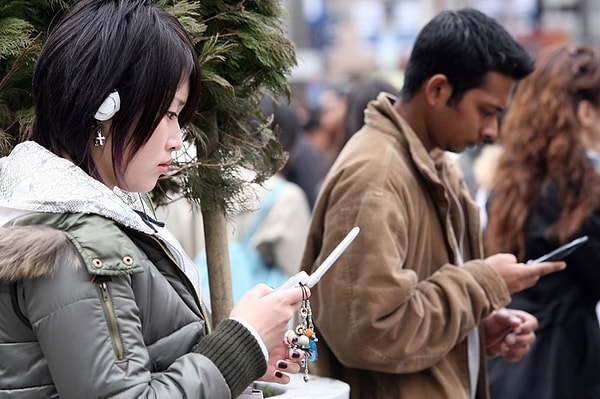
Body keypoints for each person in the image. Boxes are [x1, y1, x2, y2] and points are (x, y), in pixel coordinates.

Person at [0, 0, 309, 398]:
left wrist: (243, 361)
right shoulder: (74, 243)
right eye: (167, 113)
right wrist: (242, 340)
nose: (176, 140)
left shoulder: (83, 213)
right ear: (104, 110)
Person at [299, 8, 566, 399]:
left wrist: (474, 330)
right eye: (486, 111)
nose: (492, 131)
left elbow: (409, 313)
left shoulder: (433, 161)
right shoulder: (376, 177)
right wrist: (481, 287)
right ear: (438, 90)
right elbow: (368, 333)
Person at [484, 44, 600, 399]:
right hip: (557, 364)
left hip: (509, 358)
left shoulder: (515, 182)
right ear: (585, 113)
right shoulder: (575, 195)